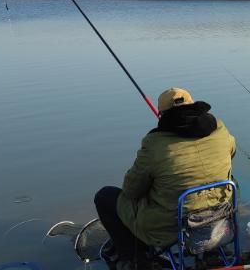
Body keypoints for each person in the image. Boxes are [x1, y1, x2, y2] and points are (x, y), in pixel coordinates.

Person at [95, 88, 236, 269]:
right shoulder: (221, 130)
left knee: (105, 197)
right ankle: (211, 252)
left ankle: (136, 260)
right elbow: (231, 152)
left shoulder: (154, 144)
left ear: (161, 115)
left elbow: (131, 190)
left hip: (173, 228)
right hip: (220, 215)